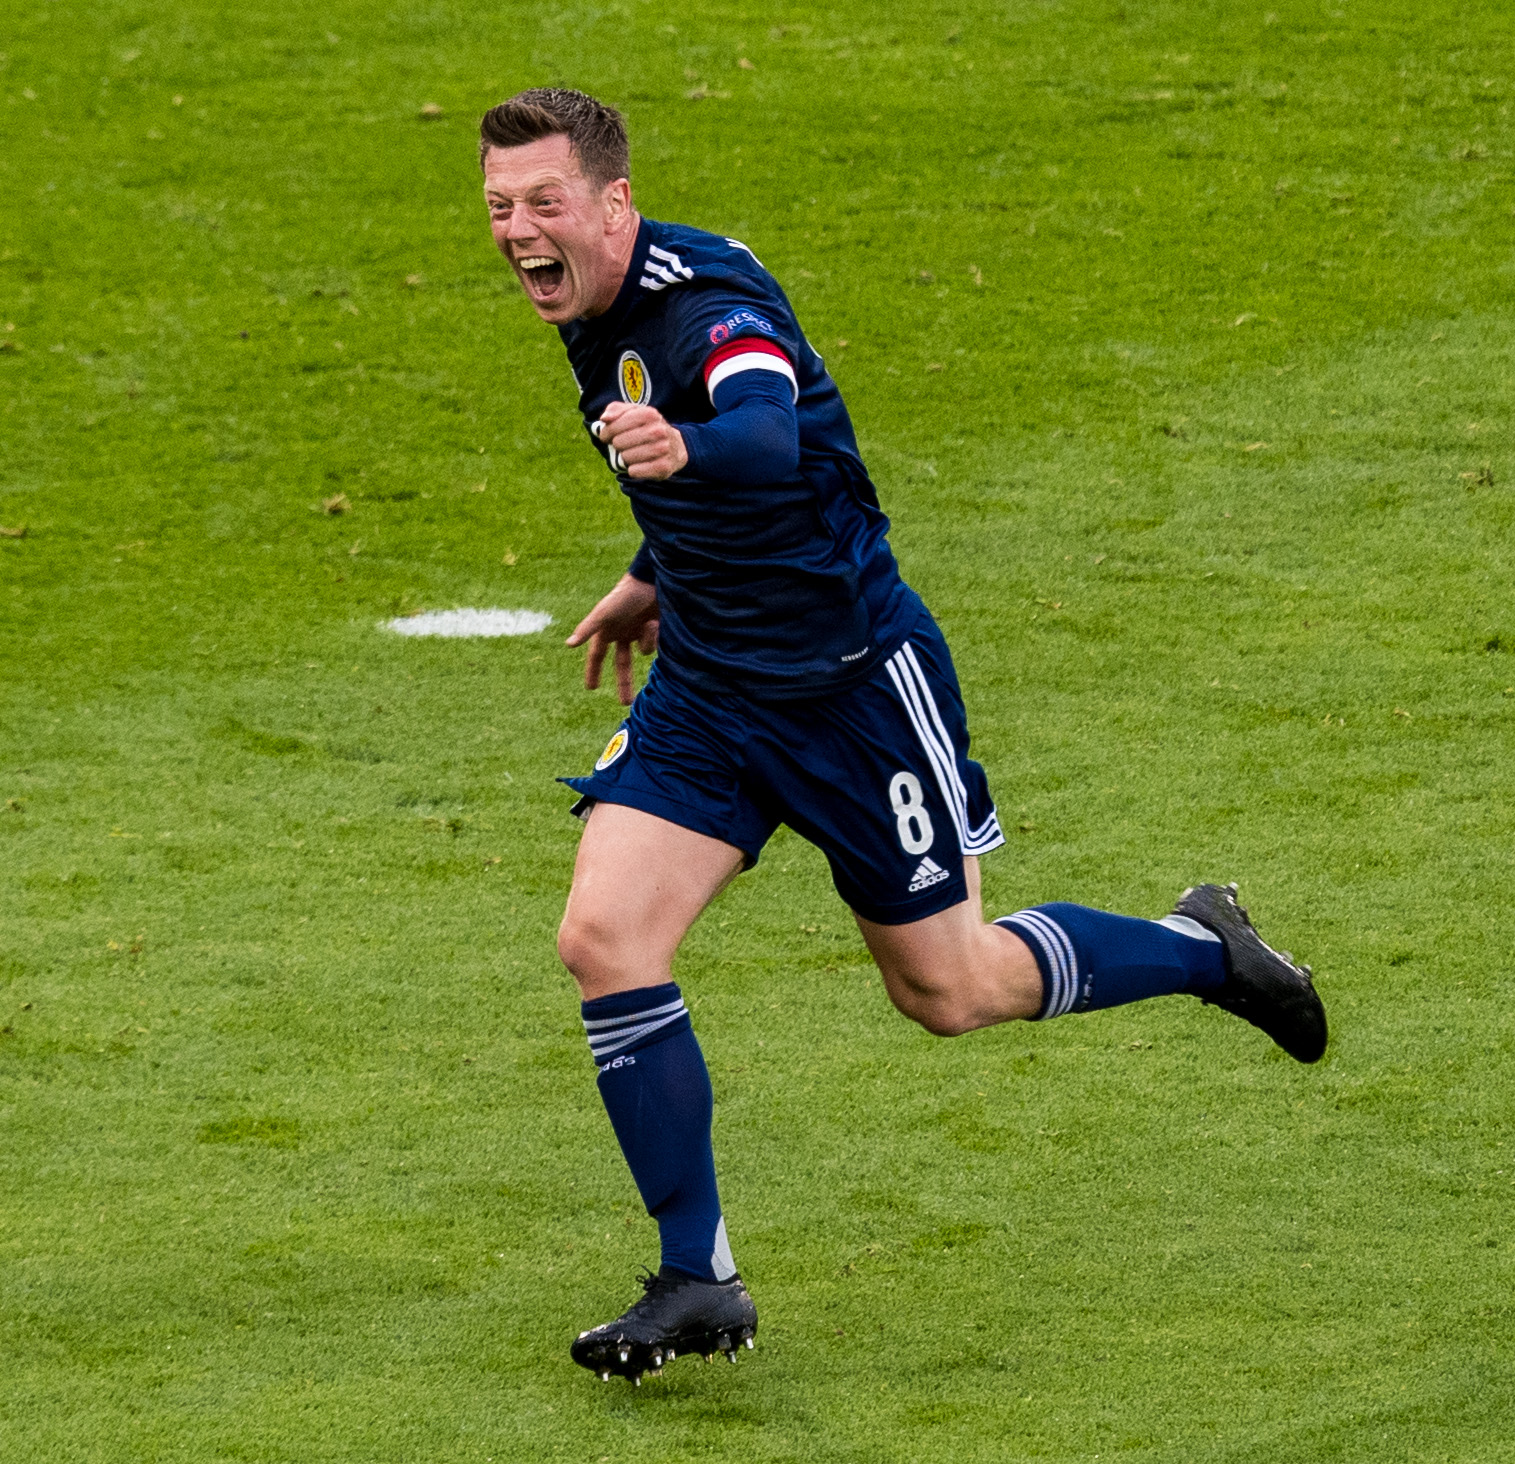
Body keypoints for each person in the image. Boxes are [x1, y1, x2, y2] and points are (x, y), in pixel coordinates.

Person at [475, 87, 1329, 1385]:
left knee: (948, 989)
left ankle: (1200, 948)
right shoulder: (589, 297)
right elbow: (778, 456)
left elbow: (763, 431)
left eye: (544, 203)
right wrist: (657, 567)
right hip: (709, 687)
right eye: (497, 208)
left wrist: (680, 458)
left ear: (613, 203)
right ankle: (696, 1275)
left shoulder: (708, 312)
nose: (519, 232)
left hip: (851, 692)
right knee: (602, 937)